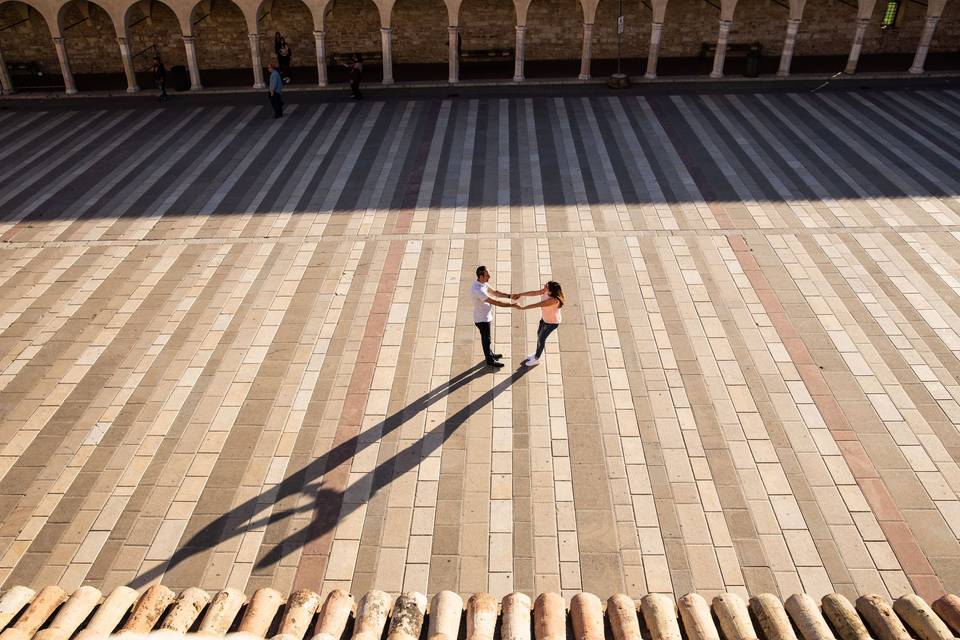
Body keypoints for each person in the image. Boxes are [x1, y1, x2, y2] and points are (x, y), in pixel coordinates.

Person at [472, 266, 519, 368]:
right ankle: (489, 360)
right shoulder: (478, 290)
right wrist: (512, 305)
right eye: (487, 275)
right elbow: (495, 302)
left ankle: (490, 354)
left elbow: (495, 293)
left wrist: (510, 296)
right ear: (481, 276)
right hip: (482, 319)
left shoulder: (483, 283)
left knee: (487, 338)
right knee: (486, 339)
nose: (489, 276)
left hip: (485, 316)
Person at [512, 281, 564, 367]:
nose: (544, 286)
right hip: (545, 319)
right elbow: (534, 293)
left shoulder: (553, 300)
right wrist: (520, 294)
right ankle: (538, 352)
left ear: (551, 290)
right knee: (539, 335)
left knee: (541, 339)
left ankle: (537, 358)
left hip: (551, 323)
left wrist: (523, 308)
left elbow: (538, 304)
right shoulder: (546, 291)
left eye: (547, 286)